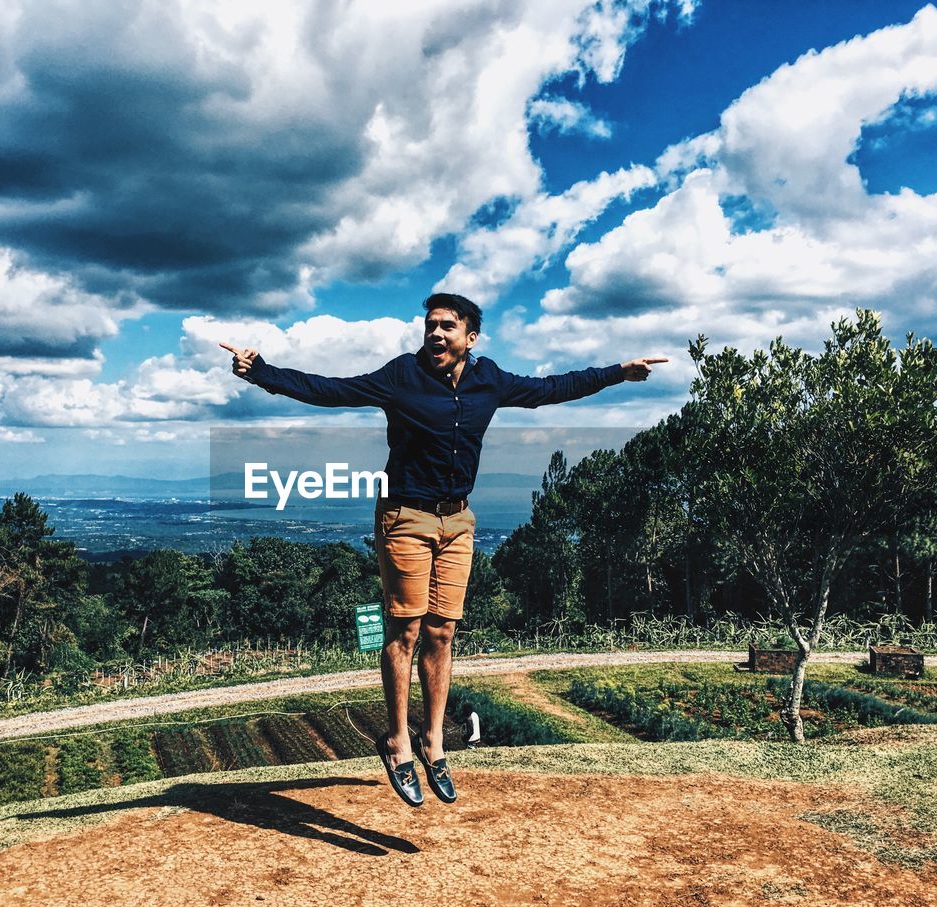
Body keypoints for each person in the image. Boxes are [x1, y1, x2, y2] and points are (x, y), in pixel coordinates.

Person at [221, 292, 666, 807]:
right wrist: (260, 372)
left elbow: (551, 389)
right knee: (405, 628)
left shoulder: (489, 380)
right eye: (430, 325)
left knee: (443, 630)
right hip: (404, 516)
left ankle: (434, 742)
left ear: (469, 337)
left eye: (446, 326)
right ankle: (397, 740)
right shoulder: (400, 376)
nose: (435, 334)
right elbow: (331, 391)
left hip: (459, 518)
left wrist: (618, 372)